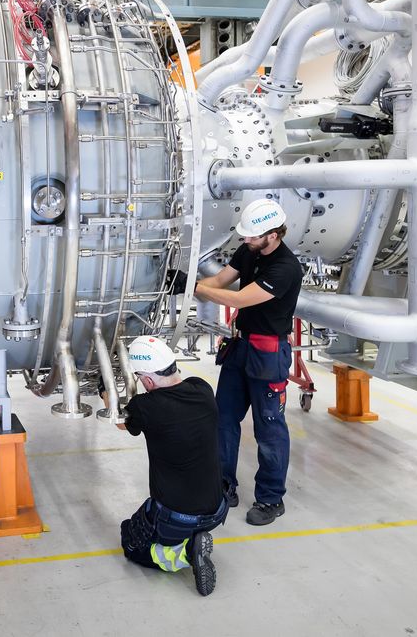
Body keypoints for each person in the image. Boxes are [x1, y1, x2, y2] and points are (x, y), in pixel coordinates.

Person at [193, 198, 303, 527]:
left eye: (252, 237)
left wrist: (198, 289)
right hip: (240, 346)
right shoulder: (250, 250)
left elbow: (239, 298)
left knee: (269, 428)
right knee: (223, 418)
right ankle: (224, 485)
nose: (246, 241)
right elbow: (221, 282)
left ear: (273, 234)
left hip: (268, 354)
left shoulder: (286, 268)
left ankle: (271, 498)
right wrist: (185, 283)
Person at [113, 335, 228, 597]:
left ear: (148, 380)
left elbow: (120, 420)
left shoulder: (147, 407)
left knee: (130, 542)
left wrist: (104, 391)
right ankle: (194, 536)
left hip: (177, 516)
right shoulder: (202, 389)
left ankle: (186, 553)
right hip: (216, 508)